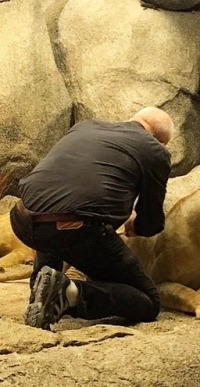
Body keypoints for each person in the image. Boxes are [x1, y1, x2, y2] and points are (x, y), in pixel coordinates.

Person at [9, 107, 174, 330]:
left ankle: (42, 291)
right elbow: (151, 222)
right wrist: (134, 225)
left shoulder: (85, 126)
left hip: (22, 217)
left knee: (55, 218)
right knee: (148, 301)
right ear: (159, 140)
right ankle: (68, 293)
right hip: (73, 229)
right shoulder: (154, 150)